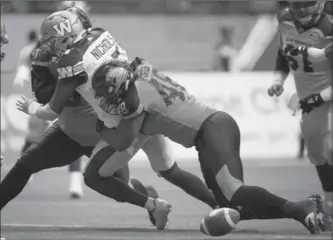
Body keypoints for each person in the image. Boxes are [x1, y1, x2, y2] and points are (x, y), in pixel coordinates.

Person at [17, 9, 324, 234]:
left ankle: (300, 209)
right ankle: (306, 209)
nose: (105, 99)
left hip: (212, 128)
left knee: (236, 198)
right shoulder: (136, 75)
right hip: (209, 130)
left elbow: (123, 136)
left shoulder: (136, 104)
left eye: (107, 94)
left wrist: (102, 122)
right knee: (230, 205)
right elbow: (126, 78)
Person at [267, 0, 332, 231]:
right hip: (310, 99)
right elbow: (284, 52)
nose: (301, 10)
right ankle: (330, 207)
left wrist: (321, 97)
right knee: (317, 153)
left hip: (327, 95)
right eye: (297, 5)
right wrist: (278, 79)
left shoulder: (329, 27)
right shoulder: (285, 19)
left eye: (306, 5)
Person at [12, 29, 85, 198]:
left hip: (65, 99)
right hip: (44, 97)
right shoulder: (34, 51)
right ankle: (23, 170)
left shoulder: (71, 50)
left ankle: (75, 183)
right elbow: (26, 62)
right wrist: (21, 73)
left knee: (73, 136)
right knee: (34, 134)